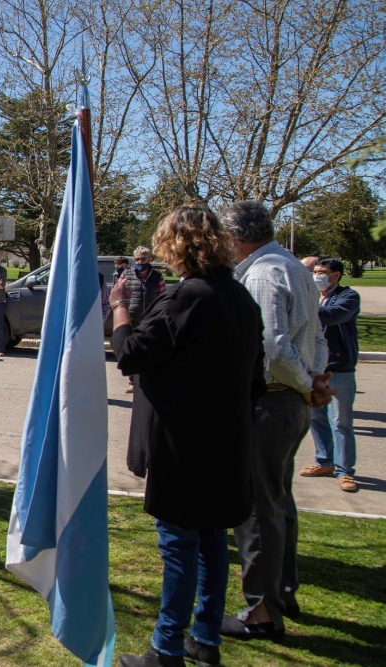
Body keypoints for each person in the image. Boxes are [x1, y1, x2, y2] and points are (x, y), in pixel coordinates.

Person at [113, 204, 266, 667]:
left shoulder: (186, 297)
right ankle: (205, 640)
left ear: (175, 245)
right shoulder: (240, 298)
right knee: (213, 542)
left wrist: (119, 307)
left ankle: (166, 648)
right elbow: (255, 379)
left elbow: (132, 355)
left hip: (184, 446)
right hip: (227, 443)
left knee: (180, 546)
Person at [219, 200, 332, 641]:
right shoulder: (294, 266)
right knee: (279, 500)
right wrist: (316, 378)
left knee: (257, 507)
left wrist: (306, 384)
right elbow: (316, 338)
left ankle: (263, 612)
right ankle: (282, 591)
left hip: (272, 400)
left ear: (236, 236)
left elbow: (275, 347)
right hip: (293, 399)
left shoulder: (264, 273)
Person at [302, 257, 361, 493]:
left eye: (322, 271)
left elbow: (334, 315)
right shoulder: (310, 295)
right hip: (314, 367)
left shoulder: (349, 296)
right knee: (316, 418)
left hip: (339, 367)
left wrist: (302, 308)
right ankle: (324, 461)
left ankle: (345, 471)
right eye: (315, 271)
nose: (317, 275)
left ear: (336, 275)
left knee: (341, 422)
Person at [121, 246, 166, 392]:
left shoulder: (157, 277)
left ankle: (148, 381)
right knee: (133, 351)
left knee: (149, 352)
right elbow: (118, 294)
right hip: (131, 318)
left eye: (143, 259)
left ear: (150, 259)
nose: (140, 261)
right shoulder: (126, 275)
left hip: (150, 320)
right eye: (137, 259)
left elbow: (162, 297)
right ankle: (133, 382)